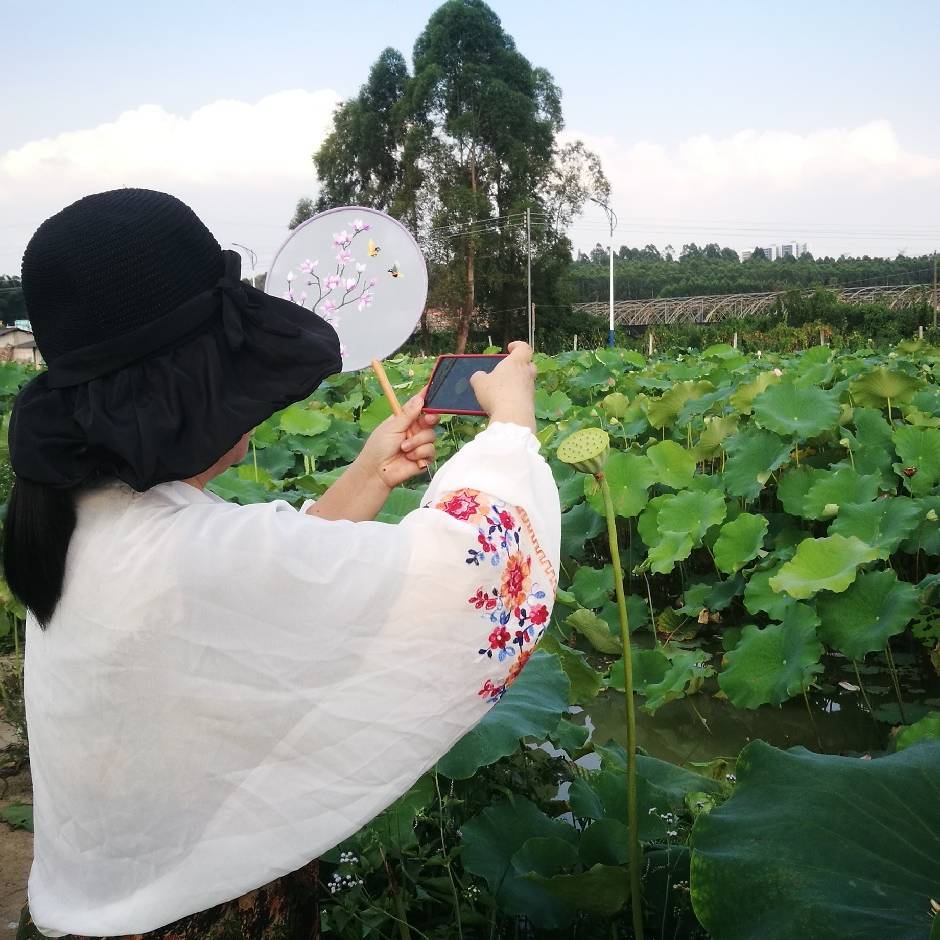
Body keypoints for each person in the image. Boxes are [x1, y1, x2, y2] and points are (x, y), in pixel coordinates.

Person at [5, 189, 560, 939]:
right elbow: (478, 569)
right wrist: (511, 426)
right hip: (201, 916)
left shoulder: (85, 518)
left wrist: (368, 476)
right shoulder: (185, 555)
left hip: (117, 898)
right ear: (189, 390)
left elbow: (262, 585)